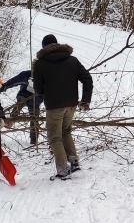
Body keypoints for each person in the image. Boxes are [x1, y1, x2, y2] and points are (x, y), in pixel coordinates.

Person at [32, 34, 92, 180]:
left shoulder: (40, 64)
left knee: (54, 137)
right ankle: (74, 163)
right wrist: (85, 100)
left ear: (44, 47)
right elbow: (87, 79)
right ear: (57, 44)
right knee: (66, 131)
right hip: (71, 104)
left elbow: (38, 90)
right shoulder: (72, 60)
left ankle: (63, 170)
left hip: (54, 106)